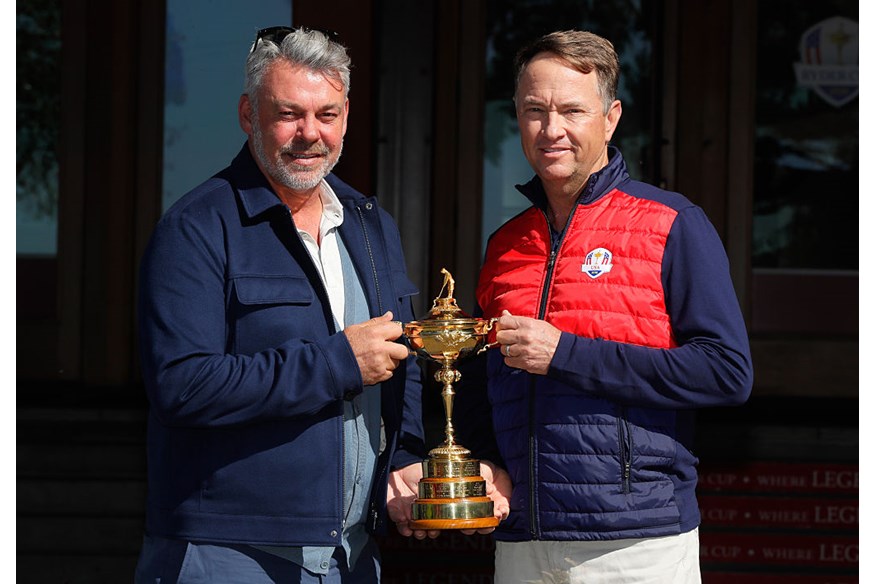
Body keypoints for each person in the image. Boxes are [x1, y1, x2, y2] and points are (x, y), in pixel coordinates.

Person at [133, 26, 504, 583]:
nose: (310, 134)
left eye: (327, 115)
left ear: (347, 115)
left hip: (352, 556)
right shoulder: (195, 228)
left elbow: (398, 358)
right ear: (247, 114)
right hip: (229, 554)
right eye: (289, 114)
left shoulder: (370, 222)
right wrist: (337, 362)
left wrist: (403, 464)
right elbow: (182, 387)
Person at [457, 30, 754, 583]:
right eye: (534, 110)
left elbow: (727, 373)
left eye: (573, 110)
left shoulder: (673, 223)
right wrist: (489, 464)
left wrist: (565, 353)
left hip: (634, 543)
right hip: (521, 540)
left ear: (611, 118)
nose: (552, 130)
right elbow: (479, 378)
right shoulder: (504, 244)